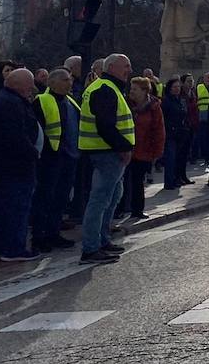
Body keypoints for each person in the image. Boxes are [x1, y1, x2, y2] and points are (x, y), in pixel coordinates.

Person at [79, 53, 135, 265]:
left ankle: (101, 240)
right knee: (100, 200)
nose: (128, 70)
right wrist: (122, 147)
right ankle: (91, 247)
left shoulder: (108, 88)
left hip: (107, 152)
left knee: (111, 198)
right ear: (111, 67)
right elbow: (105, 125)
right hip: (106, 152)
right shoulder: (105, 89)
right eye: (125, 66)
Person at [0, 68, 41, 261]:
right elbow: (15, 136)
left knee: (3, 207)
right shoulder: (11, 103)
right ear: (20, 85)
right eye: (29, 83)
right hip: (16, 165)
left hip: (2, 163)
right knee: (17, 207)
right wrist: (33, 152)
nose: (32, 88)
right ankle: (14, 248)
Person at [32, 68, 80, 252]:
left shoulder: (70, 101)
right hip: (50, 158)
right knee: (45, 198)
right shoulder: (42, 101)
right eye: (66, 79)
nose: (70, 83)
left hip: (69, 157)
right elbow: (37, 130)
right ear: (53, 83)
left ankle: (53, 233)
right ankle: (39, 236)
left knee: (60, 199)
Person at [118, 77, 164, 219]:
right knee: (122, 180)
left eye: (135, 89)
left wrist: (157, 151)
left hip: (144, 149)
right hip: (126, 148)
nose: (131, 92)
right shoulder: (125, 104)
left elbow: (159, 129)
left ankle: (137, 210)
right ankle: (120, 209)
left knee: (138, 181)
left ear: (145, 91)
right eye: (131, 89)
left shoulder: (154, 107)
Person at [160, 78, 191, 190]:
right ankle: (169, 182)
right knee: (170, 158)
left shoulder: (180, 100)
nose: (177, 89)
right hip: (170, 133)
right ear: (169, 88)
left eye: (178, 87)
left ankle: (176, 178)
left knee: (178, 157)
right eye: (175, 87)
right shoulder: (166, 101)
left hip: (180, 132)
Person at [195, 72, 209, 162]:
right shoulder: (199, 87)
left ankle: (208, 157)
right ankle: (202, 155)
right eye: (208, 77)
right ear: (204, 79)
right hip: (201, 115)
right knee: (201, 137)